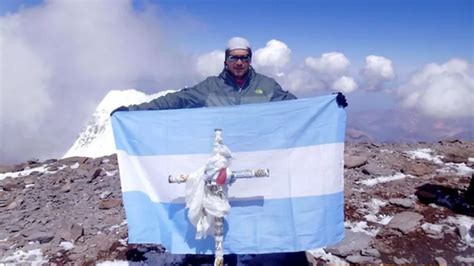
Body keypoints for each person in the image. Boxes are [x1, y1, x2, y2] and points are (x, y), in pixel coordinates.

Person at [112, 37, 347, 265]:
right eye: (234, 57)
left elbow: (296, 108)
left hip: (258, 159)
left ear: (250, 60)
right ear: (226, 60)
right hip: (223, 163)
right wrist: (133, 111)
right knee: (223, 211)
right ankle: (225, 254)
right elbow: (178, 99)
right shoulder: (210, 87)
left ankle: (265, 249)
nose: (239, 63)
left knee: (255, 208)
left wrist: (328, 106)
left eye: (244, 58)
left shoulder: (266, 86)